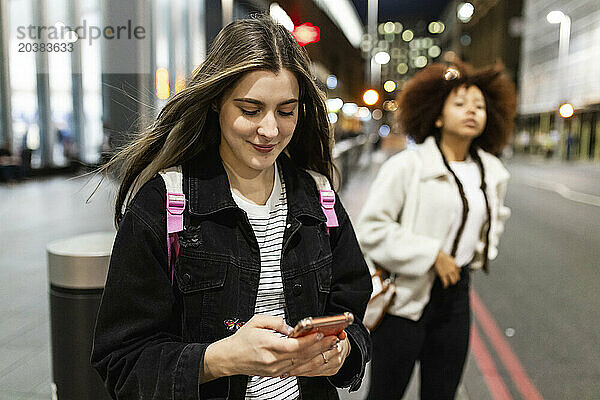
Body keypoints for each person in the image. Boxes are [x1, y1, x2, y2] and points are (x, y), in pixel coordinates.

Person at [91, 15, 372, 400]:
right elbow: (121, 363)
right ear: (215, 103)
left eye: (286, 111)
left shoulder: (318, 198)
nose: (270, 130)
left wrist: (341, 354)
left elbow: (354, 319)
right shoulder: (165, 204)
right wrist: (219, 358)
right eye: (250, 109)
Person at [357, 61, 516, 399]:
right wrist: (431, 255)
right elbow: (371, 228)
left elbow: (494, 220)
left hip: (456, 299)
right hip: (404, 301)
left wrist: (475, 256)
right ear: (438, 115)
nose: (471, 111)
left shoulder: (493, 172)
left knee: (442, 393)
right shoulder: (407, 166)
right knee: (385, 393)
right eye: (460, 104)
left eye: (479, 106)